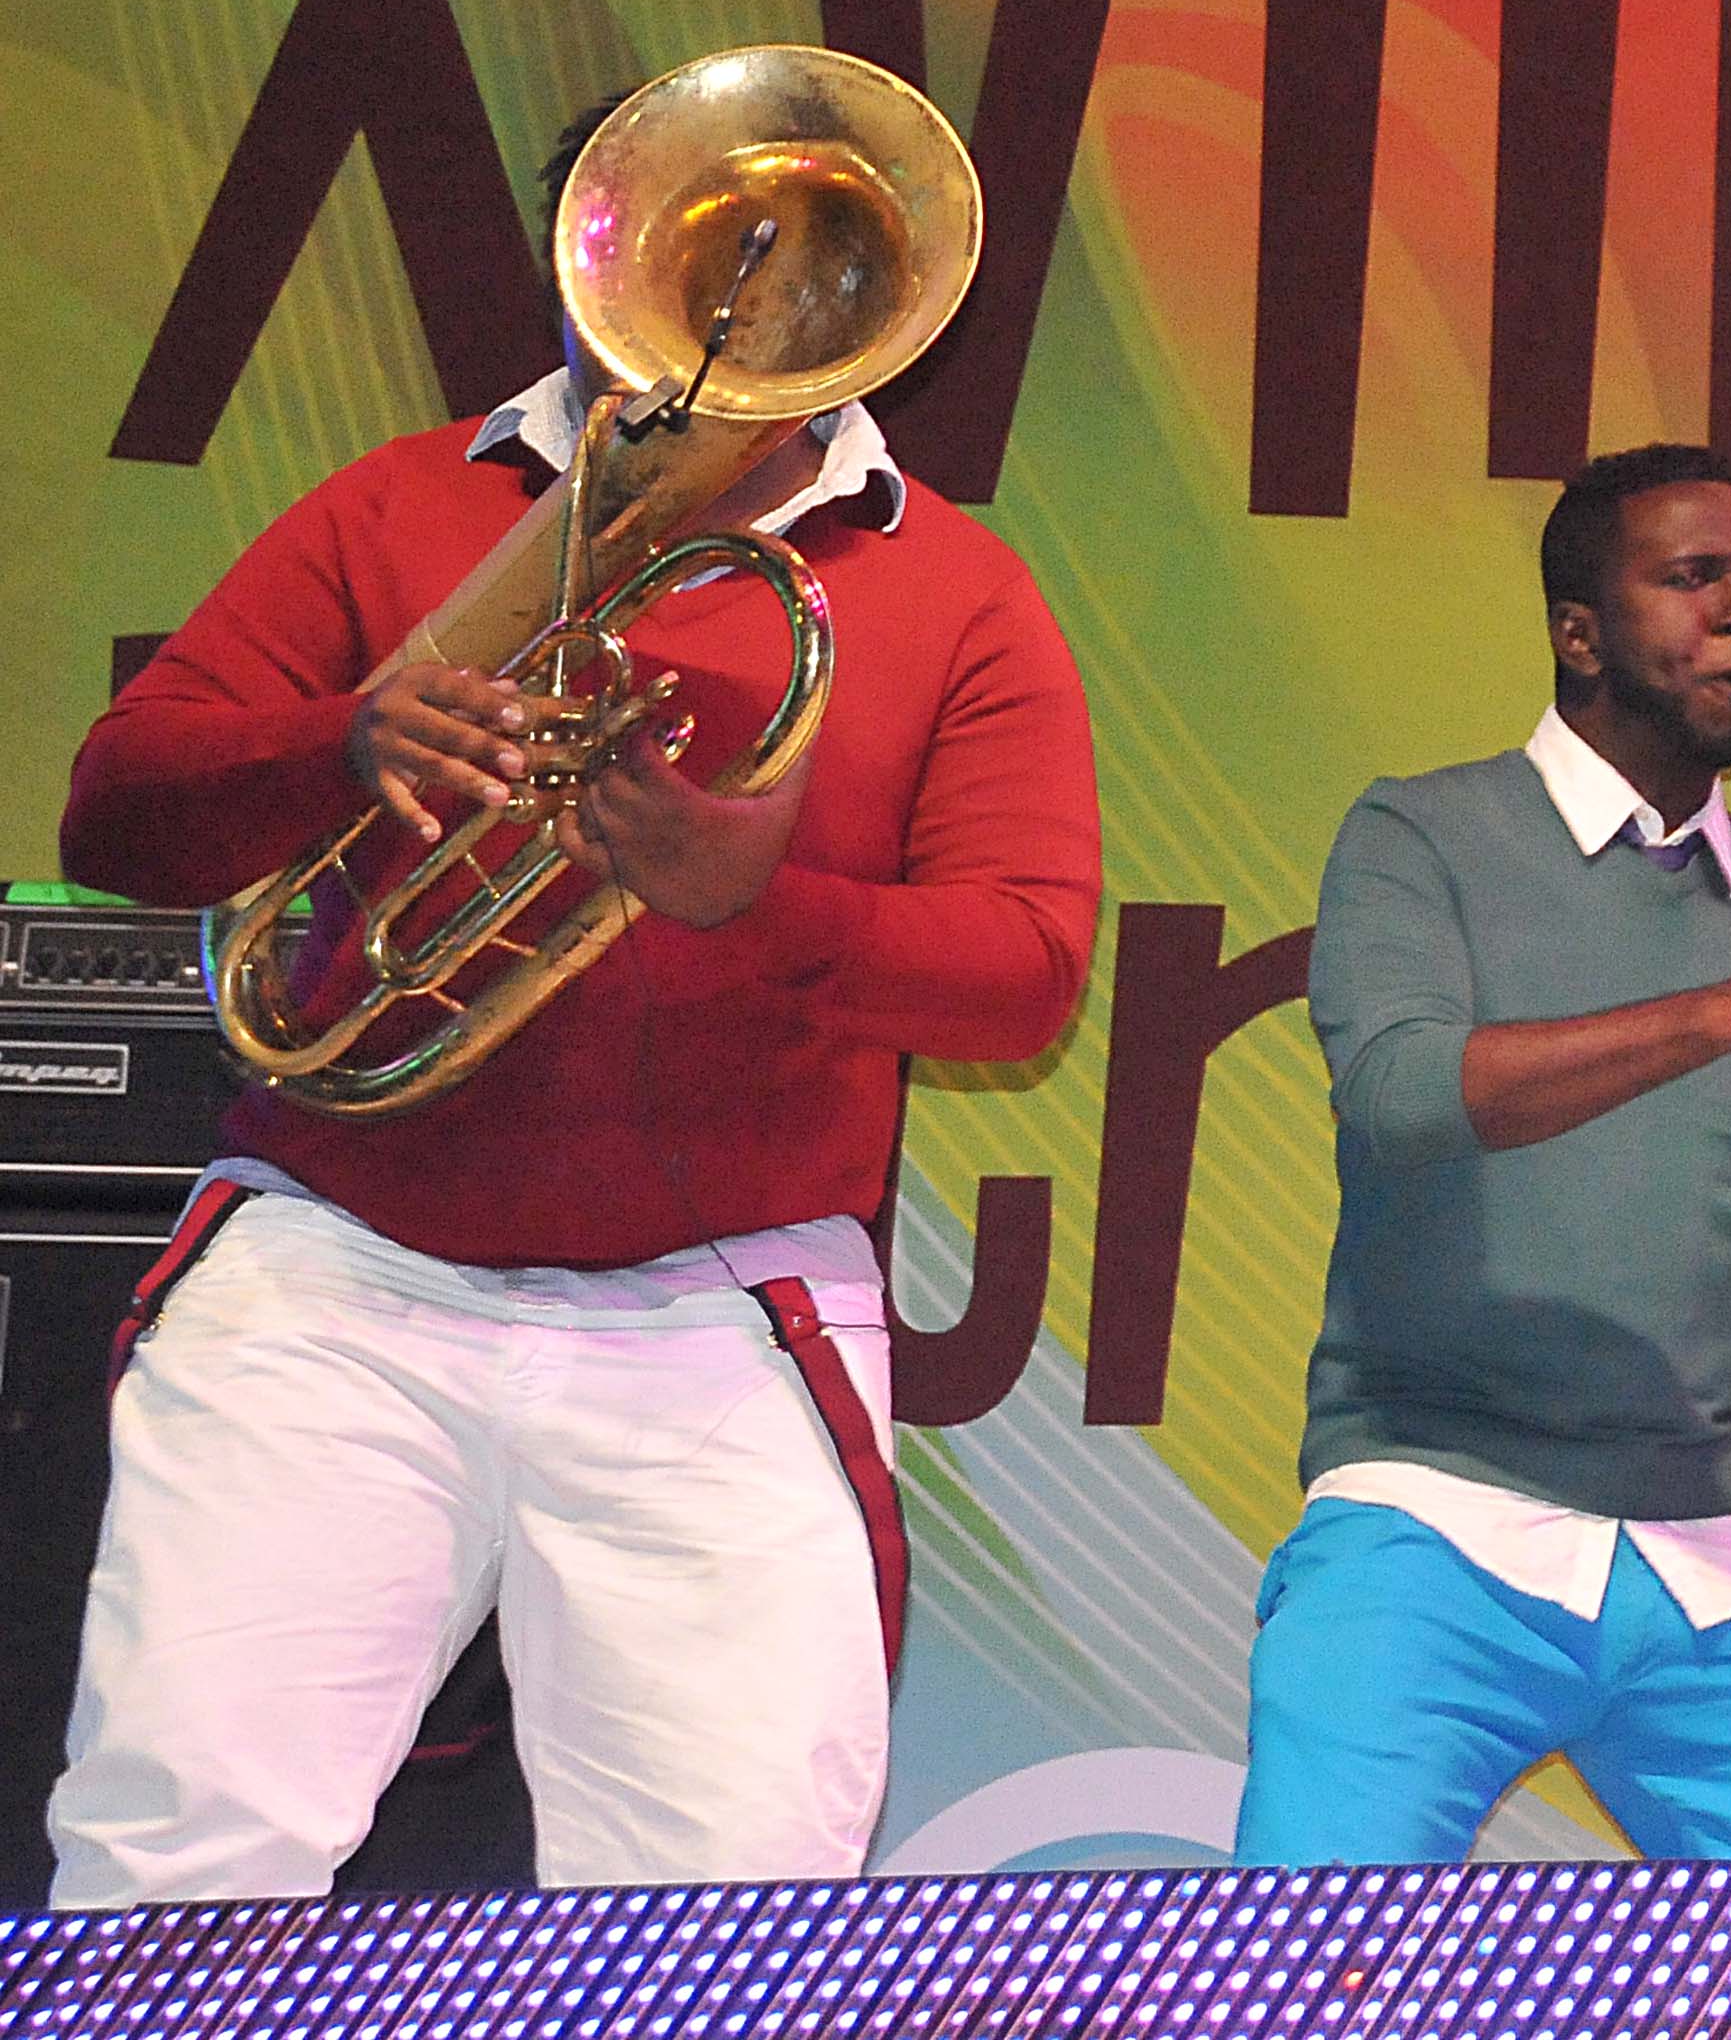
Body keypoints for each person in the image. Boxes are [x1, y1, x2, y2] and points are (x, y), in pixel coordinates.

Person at [48, 99, 1104, 1899]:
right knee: (180, 1855)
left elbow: (1025, 969)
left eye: (769, 275)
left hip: (721, 1312)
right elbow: (117, 812)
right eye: (653, 263)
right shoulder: (400, 502)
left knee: (726, 1916)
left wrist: (754, 903)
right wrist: (345, 739)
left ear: (860, 300)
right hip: (340, 1271)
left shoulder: (958, 589)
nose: (710, 327)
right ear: (573, 271)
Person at [1233, 443, 1731, 1864]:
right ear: (1580, 634)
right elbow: (1401, 1094)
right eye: (1692, 579)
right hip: (1432, 1507)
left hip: (1706, 1534)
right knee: (1310, 1941)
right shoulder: (1423, 830)